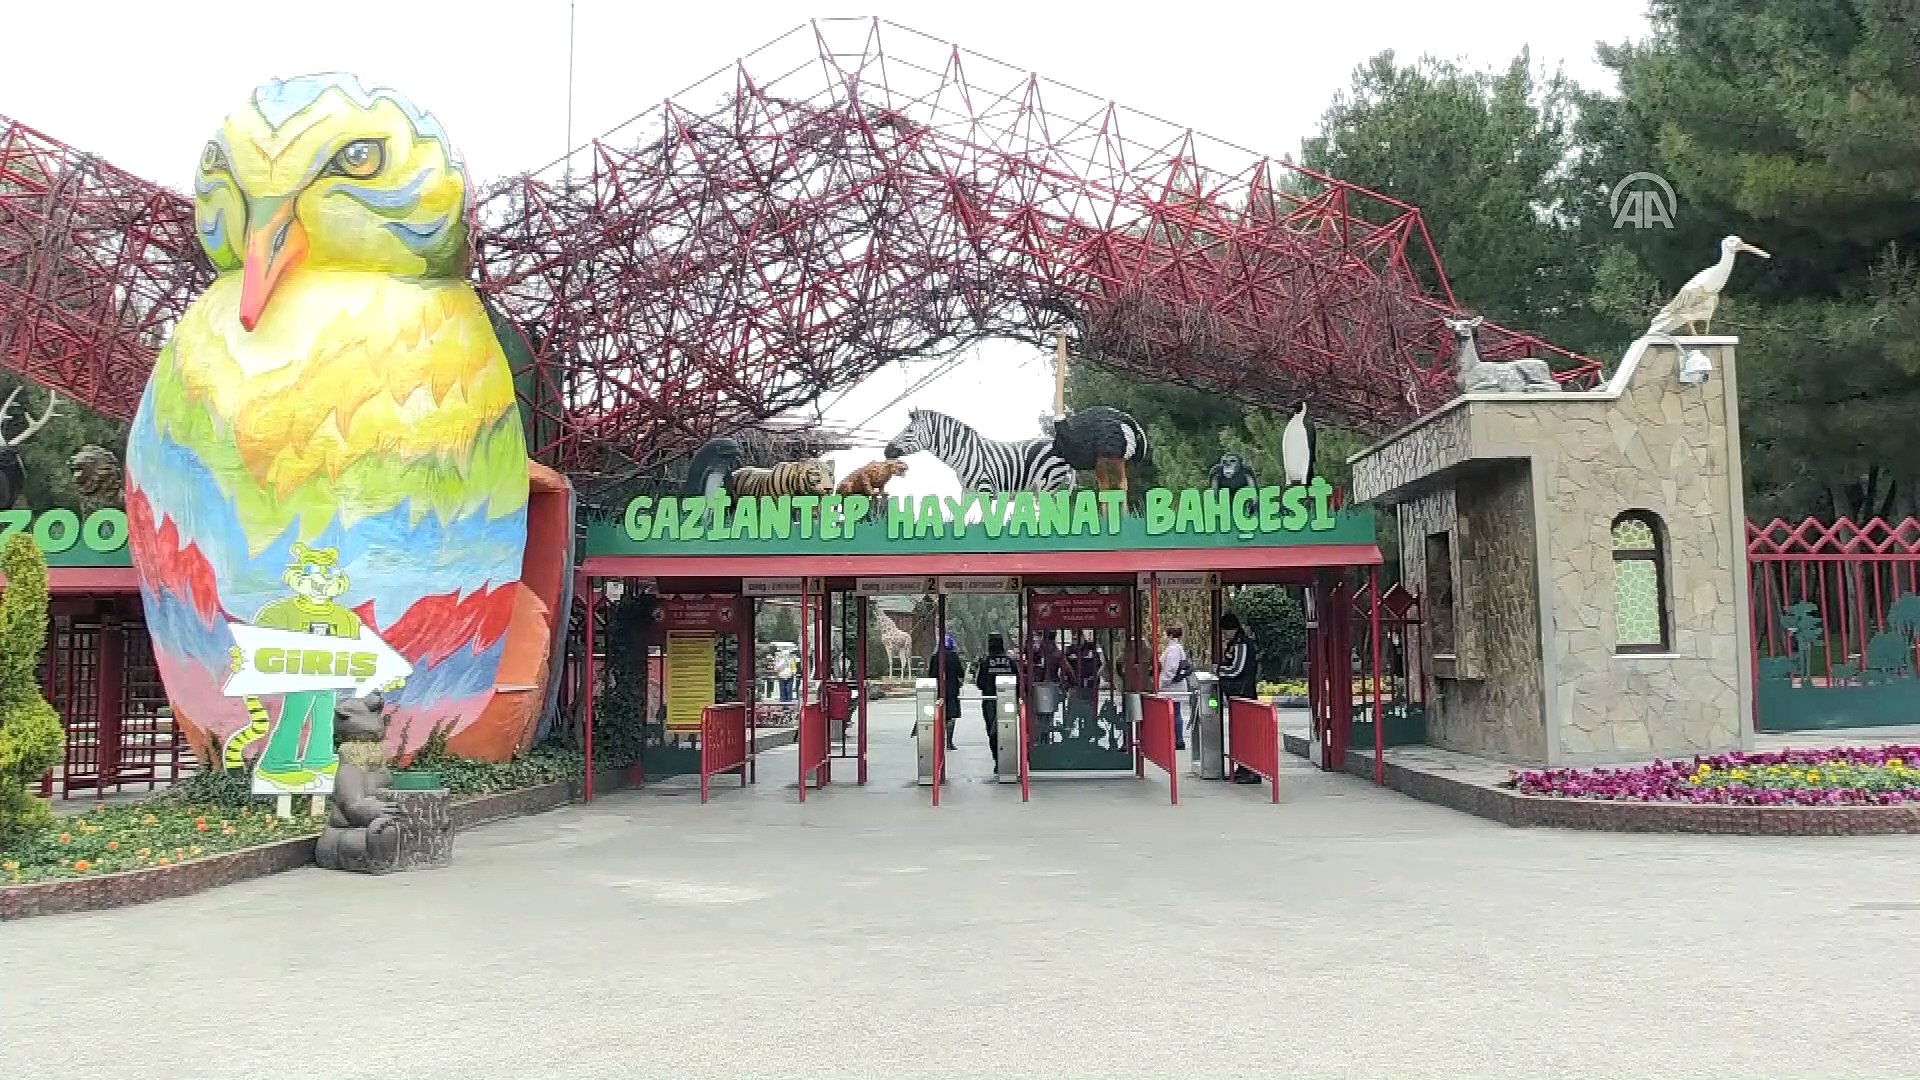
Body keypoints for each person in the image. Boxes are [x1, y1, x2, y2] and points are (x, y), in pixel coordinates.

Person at [975, 633, 1018, 762]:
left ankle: (997, 759)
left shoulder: (985, 662)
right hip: (1008, 700)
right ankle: (1007, 759)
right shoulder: (1010, 662)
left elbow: (979, 683)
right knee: (1007, 729)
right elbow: (1018, 681)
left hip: (990, 700)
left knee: (992, 731)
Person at [1158, 625, 1193, 750]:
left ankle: (1178, 739)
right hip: (1176, 687)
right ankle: (1178, 738)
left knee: (1174, 713)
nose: (1162, 637)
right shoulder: (1177, 648)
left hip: (1171, 687)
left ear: (1170, 636)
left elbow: (1170, 669)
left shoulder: (1172, 650)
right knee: (1176, 712)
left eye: (1164, 634)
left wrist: (1162, 683)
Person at [930, 633, 964, 751]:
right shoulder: (954, 657)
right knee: (951, 716)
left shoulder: (935, 657)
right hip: (952, 690)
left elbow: (931, 675)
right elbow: (961, 673)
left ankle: (939, 740)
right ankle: (949, 742)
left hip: (938, 690)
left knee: (939, 714)